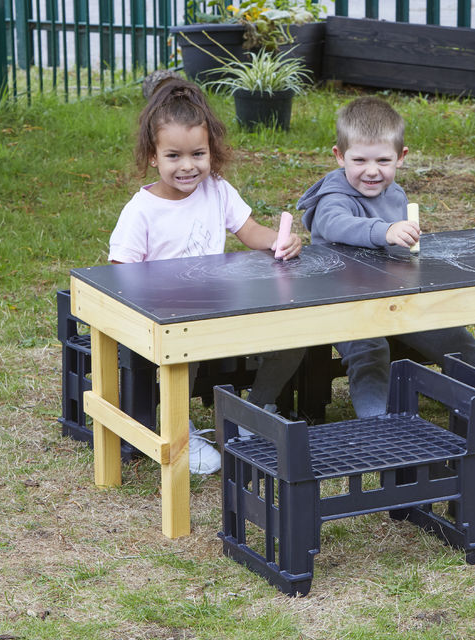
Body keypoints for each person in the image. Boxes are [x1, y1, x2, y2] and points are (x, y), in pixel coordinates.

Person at [109, 78, 305, 474]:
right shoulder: (141, 210)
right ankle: (179, 427)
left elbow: (249, 231)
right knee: (186, 347)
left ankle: (253, 413)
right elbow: (121, 274)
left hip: (218, 305)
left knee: (296, 330)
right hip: (169, 317)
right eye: (174, 155)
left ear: (212, 152)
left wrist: (281, 241)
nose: (188, 166)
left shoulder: (217, 189)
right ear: (153, 156)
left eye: (198, 153)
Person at [296, 96, 475, 418]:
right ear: (340, 157)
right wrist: (383, 231)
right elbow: (334, 224)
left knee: (455, 337)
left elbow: (401, 249)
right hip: (343, 304)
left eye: (383, 161)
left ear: (401, 157)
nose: (372, 171)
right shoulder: (334, 197)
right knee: (370, 351)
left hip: (396, 297)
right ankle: (381, 426)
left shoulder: (395, 193)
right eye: (360, 161)